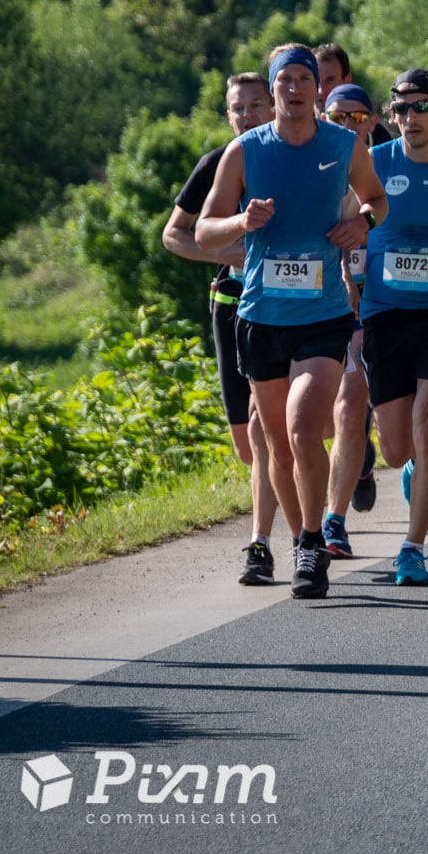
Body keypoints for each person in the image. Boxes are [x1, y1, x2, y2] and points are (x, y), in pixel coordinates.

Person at [195, 44, 389, 600]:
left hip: (324, 313)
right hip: (260, 315)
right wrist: (240, 220)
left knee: (305, 427)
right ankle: (292, 533)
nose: (297, 88)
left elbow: (376, 199)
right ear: (275, 89)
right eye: (287, 80)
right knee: (274, 443)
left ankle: (309, 541)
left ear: (318, 89)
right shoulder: (244, 151)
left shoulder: (342, 144)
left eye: (306, 79)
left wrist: (364, 224)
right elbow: (204, 229)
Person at [163, 73, 289, 585]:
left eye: (257, 105)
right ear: (227, 113)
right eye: (238, 108)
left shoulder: (292, 155)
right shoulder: (218, 163)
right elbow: (175, 235)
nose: (247, 115)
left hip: (287, 304)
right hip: (231, 300)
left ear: (275, 104)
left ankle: (271, 541)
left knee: (267, 429)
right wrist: (229, 251)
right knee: (246, 442)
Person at [358, 69, 428, 585]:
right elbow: (346, 226)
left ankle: (413, 545)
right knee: (398, 448)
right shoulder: (375, 164)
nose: (409, 118)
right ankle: (414, 470)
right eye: (400, 109)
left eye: (420, 107)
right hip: (383, 313)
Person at [320, 80, 383, 558]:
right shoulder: (310, 167)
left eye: (357, 118)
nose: (347, 126)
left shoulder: (389, 167)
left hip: (381, 310)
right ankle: (351, 468)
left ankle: (333, 519)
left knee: (353, 402)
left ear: (373, 121)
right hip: (322, 306)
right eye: (337, 117)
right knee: (326, 416)